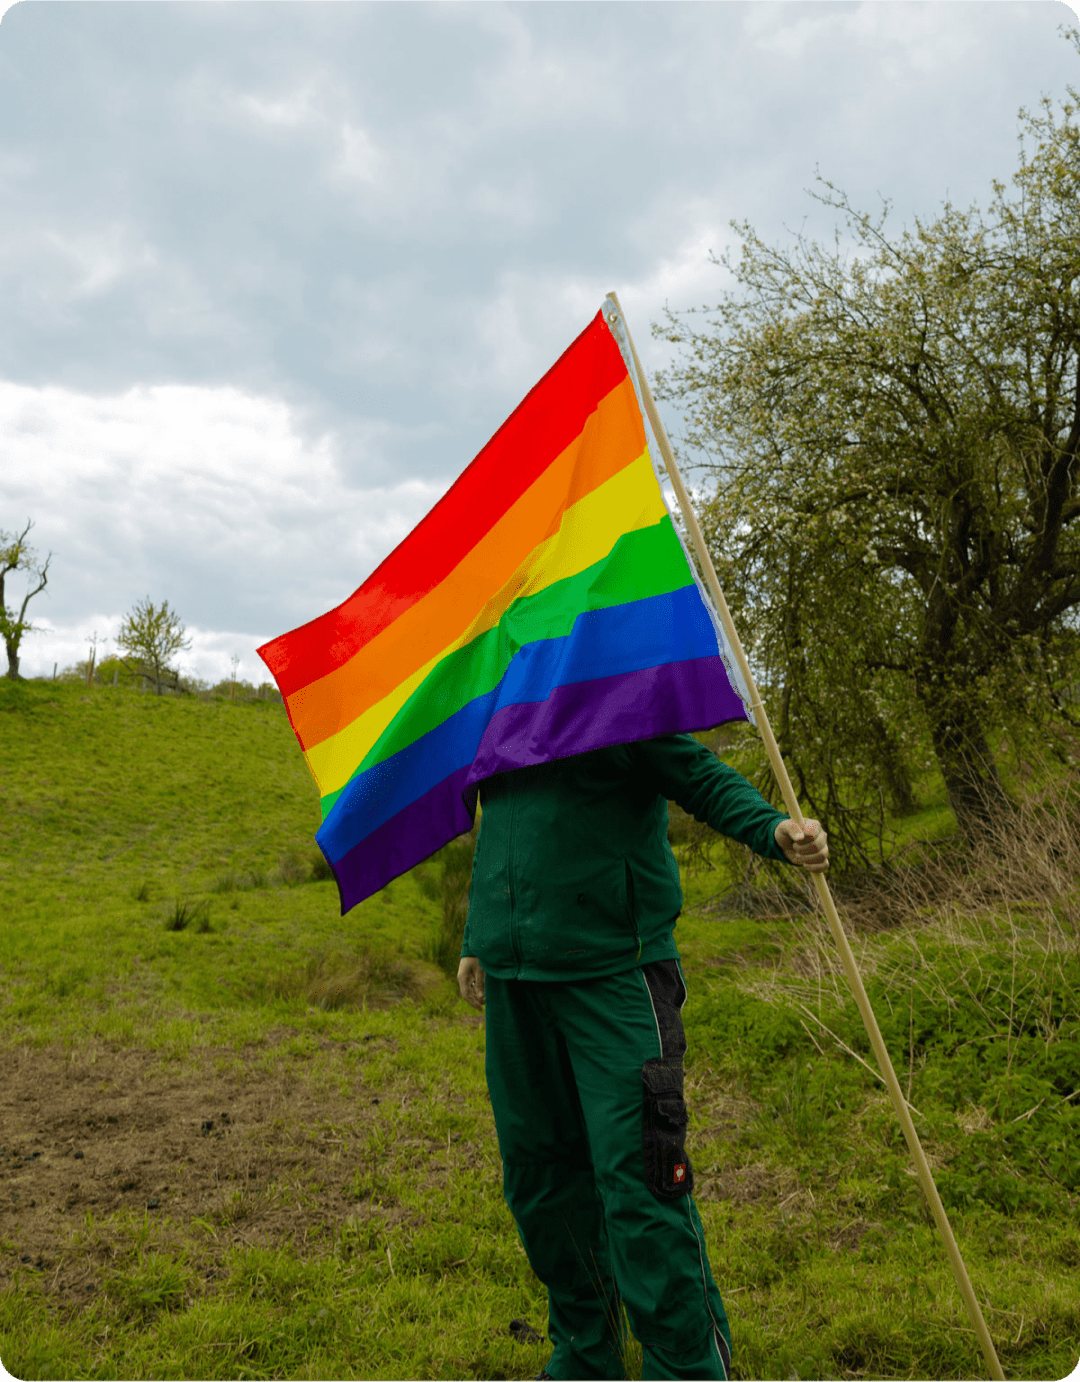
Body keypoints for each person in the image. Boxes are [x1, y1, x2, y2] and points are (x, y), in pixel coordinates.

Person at [456, 732, 828, 1382]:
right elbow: (505, 828)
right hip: (517, 978)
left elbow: (701, 777)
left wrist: (774, 830)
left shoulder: (620, 695)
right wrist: (479, 932)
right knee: (542, 1180)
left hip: (615, 976)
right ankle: (584, 1352)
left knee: (640, 1181)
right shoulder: (499, 702)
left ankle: (685, 1366)